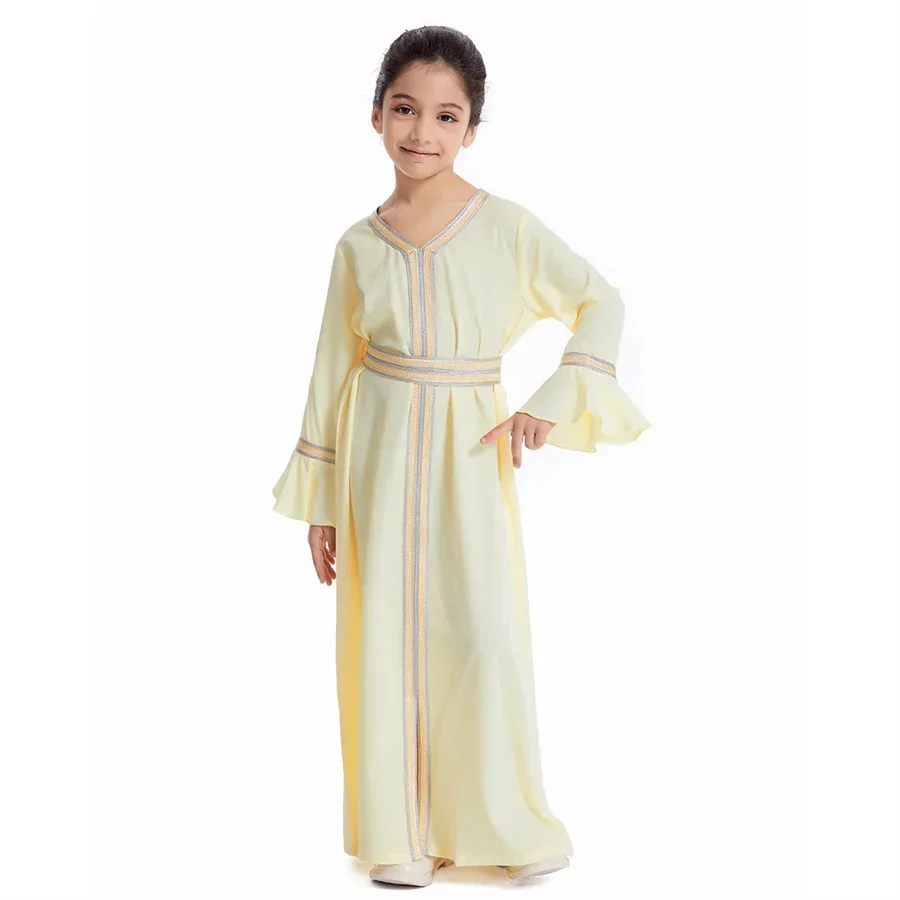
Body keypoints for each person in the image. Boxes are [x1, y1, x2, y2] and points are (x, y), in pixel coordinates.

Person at [271, 25, 652, 888]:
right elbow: (330, 371)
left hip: (469, 450)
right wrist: (322, 504)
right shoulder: (357, 245)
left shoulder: (506, 228)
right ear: (376, 114)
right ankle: (398, 835)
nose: (423, 132)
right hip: (375, 456)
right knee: (384, 638)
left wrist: (552, 401)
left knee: (481, 634)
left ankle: (503, 825)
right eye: (405, 109)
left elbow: (600, 302)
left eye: (447, 116)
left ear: (472, 128)